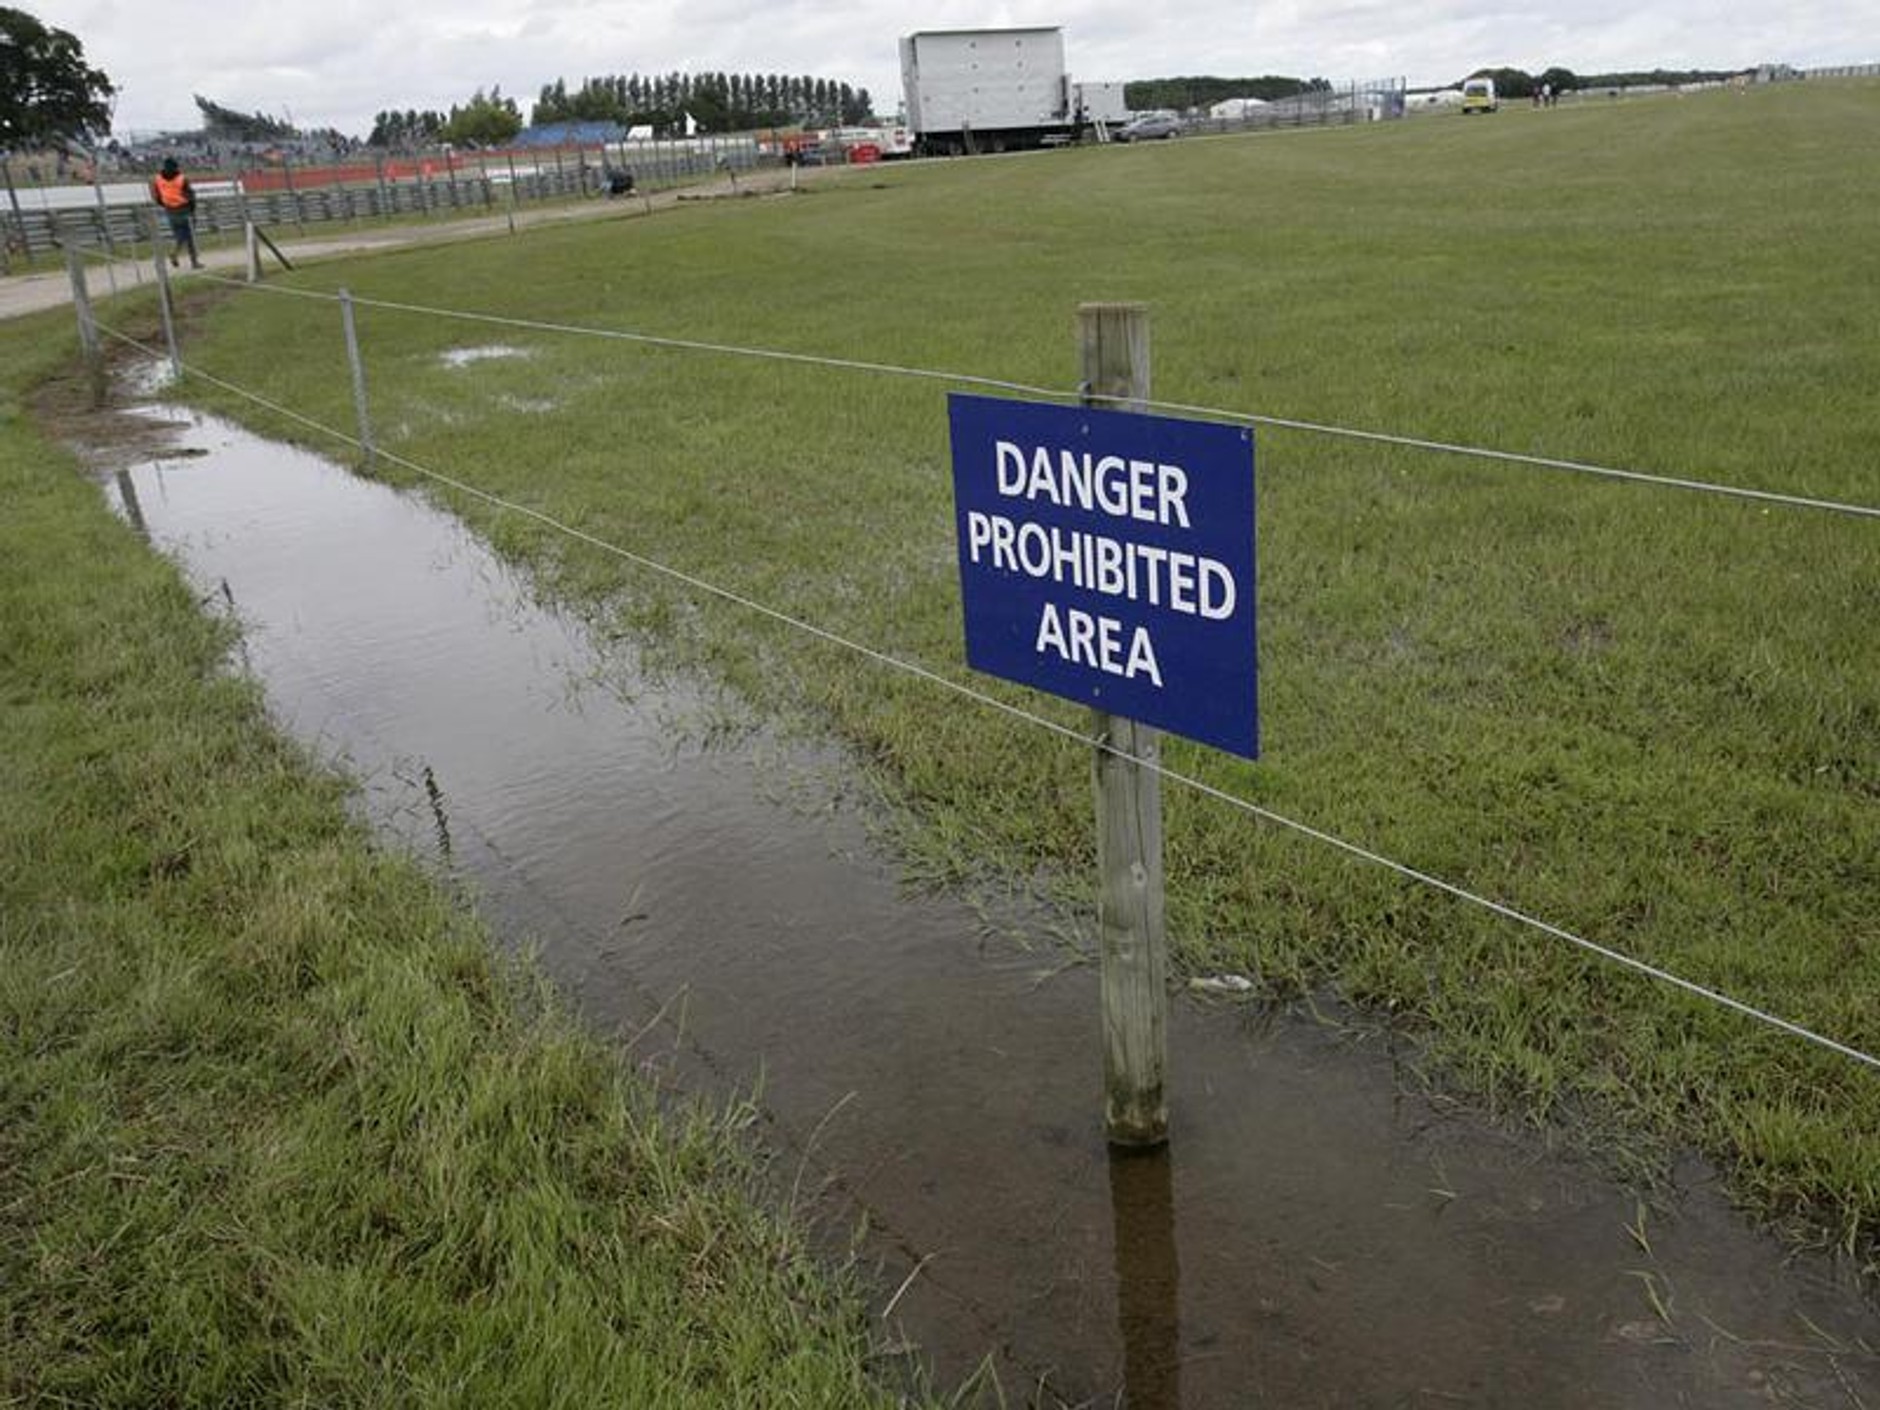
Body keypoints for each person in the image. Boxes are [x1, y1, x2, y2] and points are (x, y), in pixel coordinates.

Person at [150, 158, 202, 270]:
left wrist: (165, 205)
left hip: (170, 211)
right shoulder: (182, 179)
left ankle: (175, 252)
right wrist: (192, 210)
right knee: (190, 237)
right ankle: (193, 262)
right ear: (176, 167)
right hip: (184, 209)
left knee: (179, 235)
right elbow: (191, 196)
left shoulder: (158, 179)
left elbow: (157, 197)